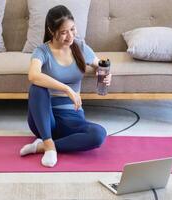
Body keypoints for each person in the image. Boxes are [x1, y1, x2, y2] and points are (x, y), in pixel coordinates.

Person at [20, 5, 112, 167]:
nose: (70, 36)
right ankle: (48, 143)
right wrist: (67, 89)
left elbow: (99, 63)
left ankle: (42, 147)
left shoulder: (80, 47)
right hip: (45, 119)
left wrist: (104, 72)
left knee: (98, 134)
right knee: (37, 87)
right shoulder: (42, 51)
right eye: (63, 32)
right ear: (51, 31)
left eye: (72, 29)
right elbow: (33, 75)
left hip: (72, 119)